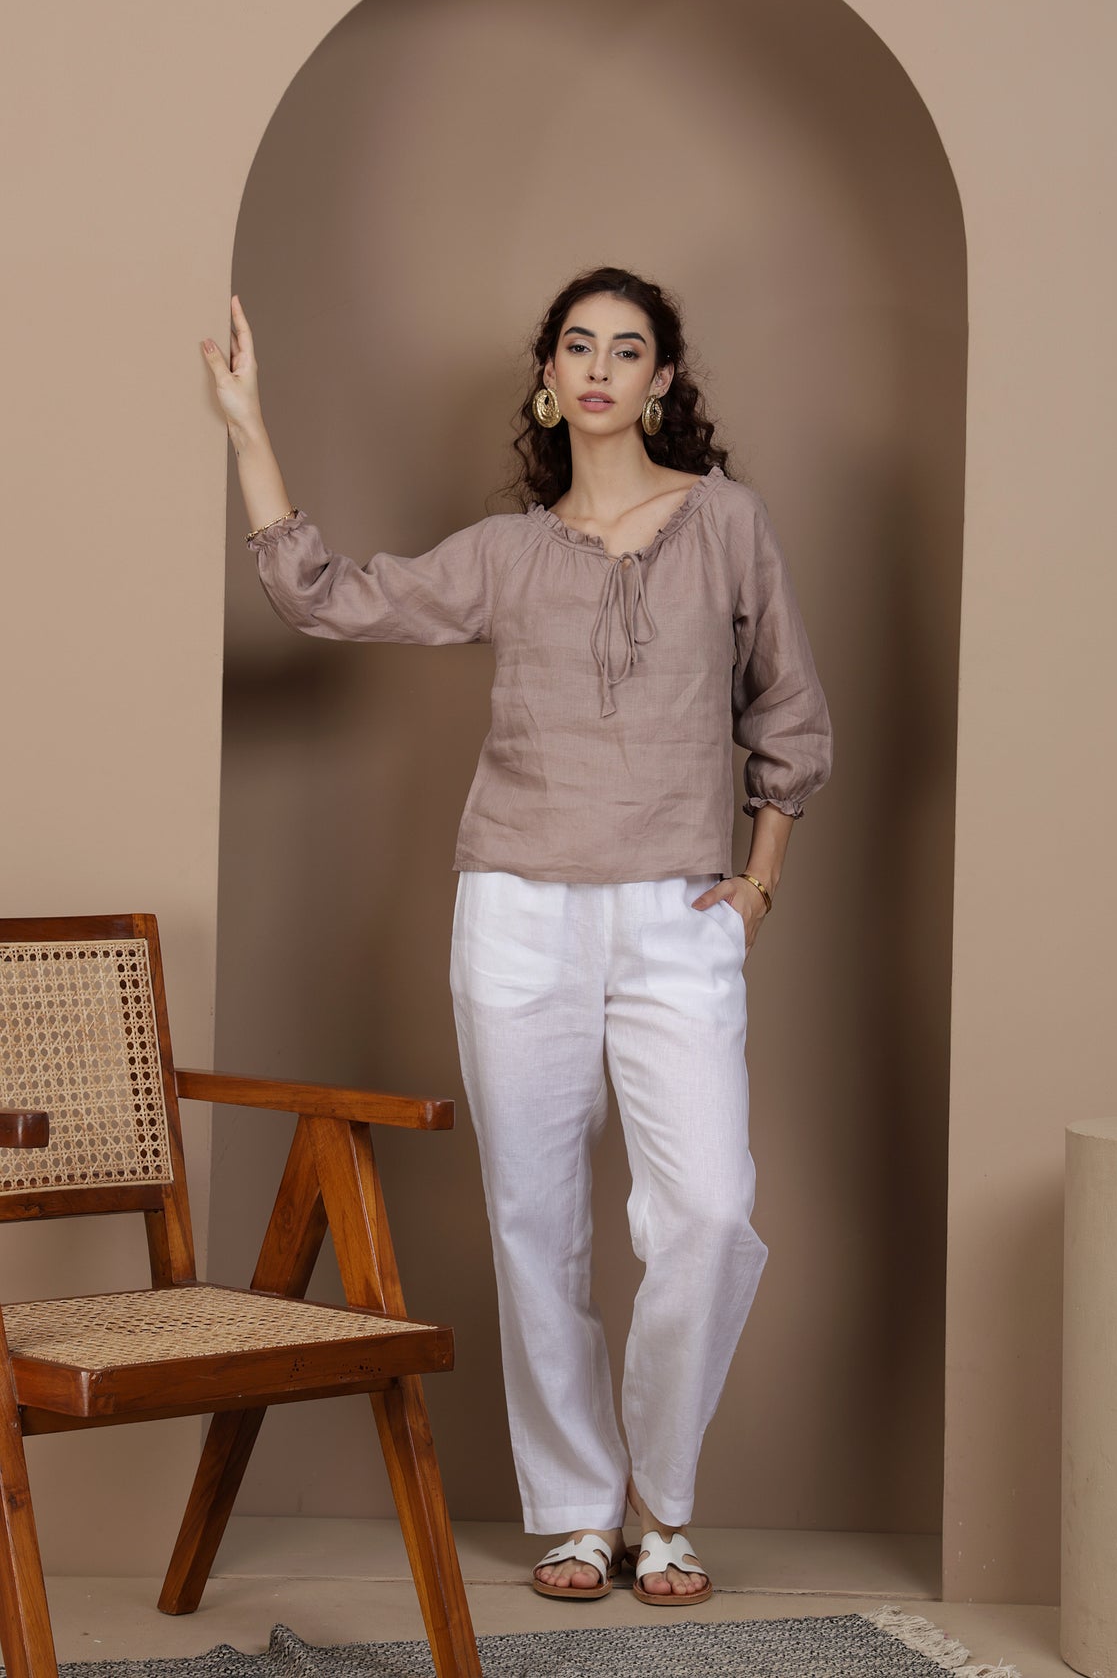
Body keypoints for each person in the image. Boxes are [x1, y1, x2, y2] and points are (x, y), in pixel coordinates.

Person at [201, 267, 833, 1605]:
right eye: (578, 346)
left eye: (631, 348)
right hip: (515, 915)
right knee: (532, 1220)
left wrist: (759, 885)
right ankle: (573, 1511)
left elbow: (786, 712)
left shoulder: (726, 524)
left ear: (665, 380)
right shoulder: (502, 554)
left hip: (678, 911)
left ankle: (662, 1496)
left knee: (710, 1214)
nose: (602, 367)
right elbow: (330, 597)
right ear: (550, 380)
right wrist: (250, 428)